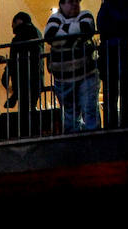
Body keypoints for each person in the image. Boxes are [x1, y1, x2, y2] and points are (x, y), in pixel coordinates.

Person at [45, 0, 101, 132]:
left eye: (77, 1)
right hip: (64, 78)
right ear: (62, 4)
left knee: (89, 109)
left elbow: (87, 29)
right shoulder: (54, 18)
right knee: (71, 114)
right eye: (71, 2)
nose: (75, 4)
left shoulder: (85, 15)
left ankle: (93, 141)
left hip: (84, 75)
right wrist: (75, 35)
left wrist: (62, 36)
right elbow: (50, 35)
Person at [98, 0, 128, 127]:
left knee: (114, 94)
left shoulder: (108, 5)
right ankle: (123, 125)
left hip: (113, 51)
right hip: (126, 50)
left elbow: (103, 25)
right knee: (122, 92)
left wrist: (115, 26)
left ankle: (113, 126)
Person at [3, 12, 45, 136]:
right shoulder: (37, 33)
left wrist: (7, 74)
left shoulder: (20, 36)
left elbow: (14, 59)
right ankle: (35, 132)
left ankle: (27, 134)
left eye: (13, 25)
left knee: (25, 110)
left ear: (19, 21)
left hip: (23, 78)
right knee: (31, 106)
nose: (13, 29)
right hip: (36, 78)